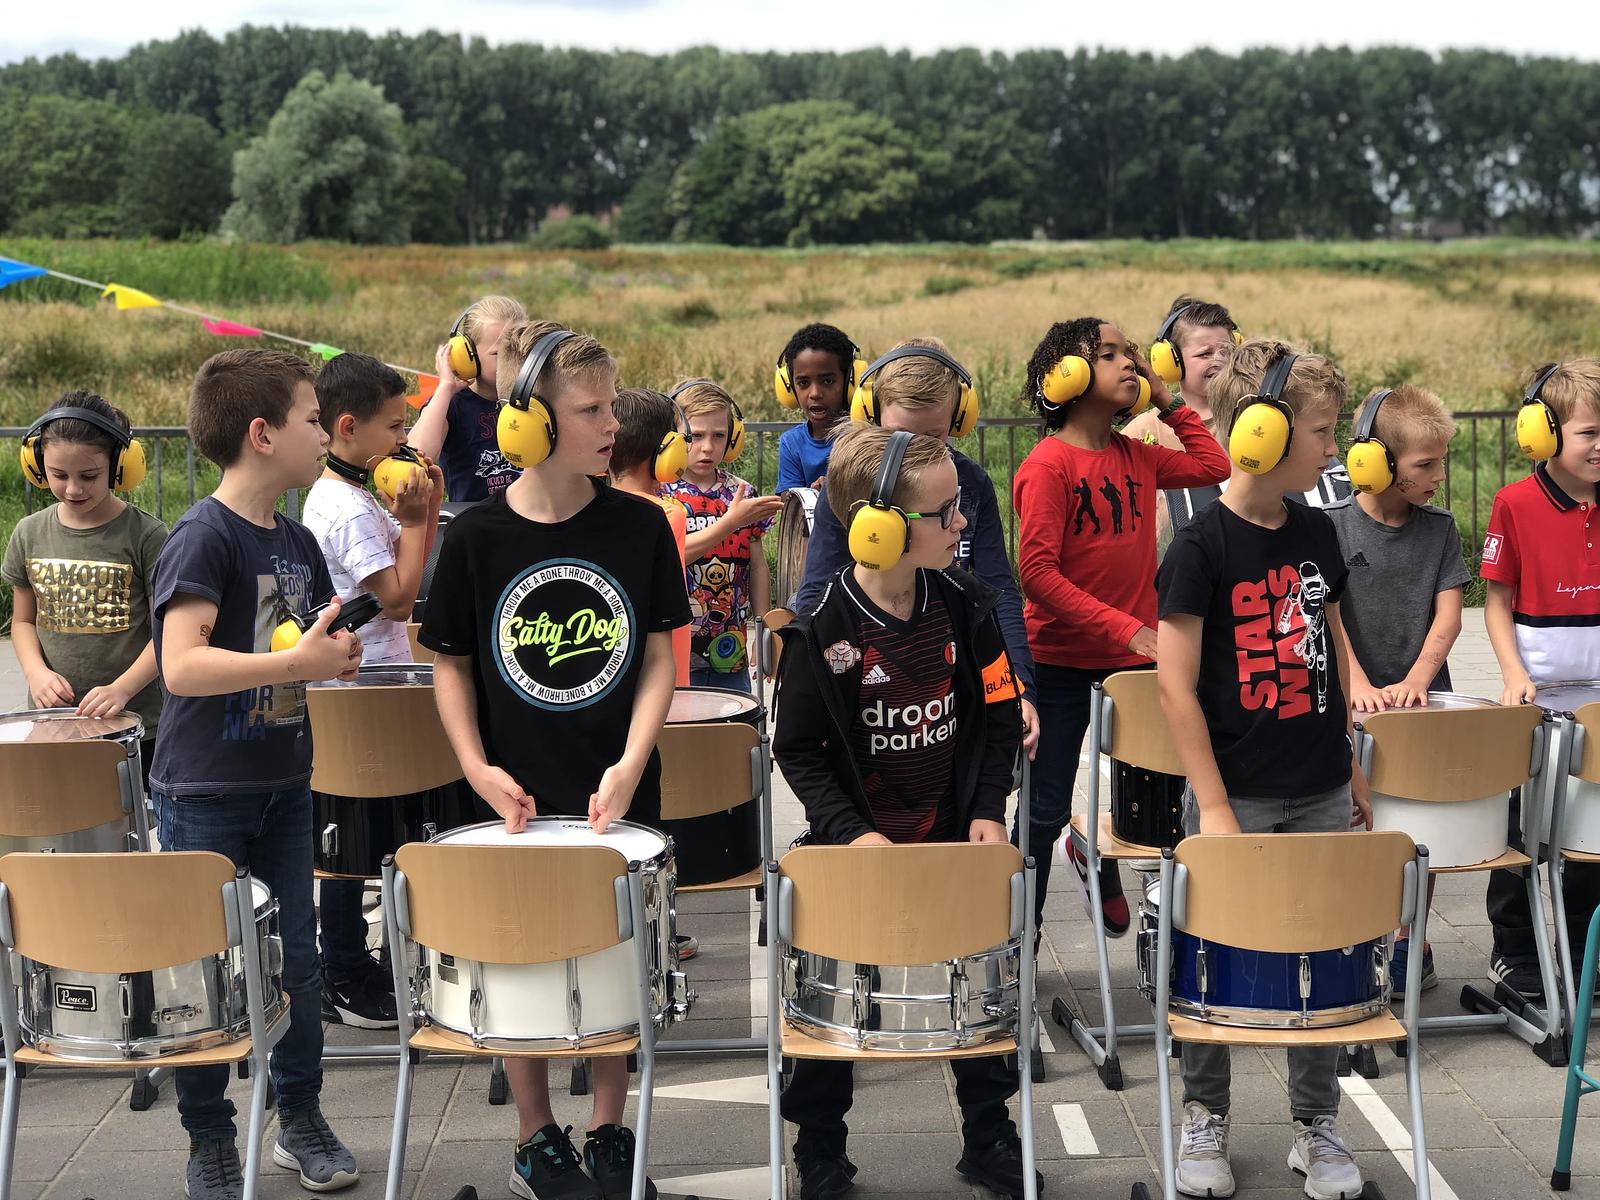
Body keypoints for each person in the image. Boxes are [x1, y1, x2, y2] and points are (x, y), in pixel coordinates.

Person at [419, 319, 688, 1200]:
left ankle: (610, 1130)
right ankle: (535, 1137)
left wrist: (632, 760)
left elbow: (657, 656)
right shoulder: (476, 536)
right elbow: (451, 664)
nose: (613, 424)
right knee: (522, 961)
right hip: (512, 790)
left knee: (615, 955)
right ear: (530, 423)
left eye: (611, 406)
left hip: (618, 782)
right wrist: (475, 767)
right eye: (591, 410)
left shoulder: (640, 526)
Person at [772, 421, 1033, 1200]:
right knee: (832, 997)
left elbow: (998, 713)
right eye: (945, 512)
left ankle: (989, 1134)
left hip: (953, 838)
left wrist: (988, 807)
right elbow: (800, 750)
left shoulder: (966, 605)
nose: (963, 522)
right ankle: (820, 1148)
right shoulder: (827, 632)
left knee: (979, 988)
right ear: (879, 527)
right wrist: (852, 833)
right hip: (856, 852)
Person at [1156, 338, 1370, 1200]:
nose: (1335, 449)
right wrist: (1211, 806)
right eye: (1323, 432)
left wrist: (1351, 763)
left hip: (1320, 785)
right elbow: (1174, 688)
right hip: (1234, 794)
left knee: (1317, 953)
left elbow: (1333, 646)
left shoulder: (1317, 529)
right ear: (1263, 432)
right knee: (1214, 955)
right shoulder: (1200, 545)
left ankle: (1316, 1124)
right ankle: (1205, 1114)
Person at [149, 349, 364, 1200]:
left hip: (284, 784)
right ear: (262, 434)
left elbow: (303, 645)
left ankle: (299, 1116)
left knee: (297, 964)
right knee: (204, 972)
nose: (324, 434)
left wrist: (334, 655)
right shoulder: (204, 536)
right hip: (203, 792)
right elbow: (182, 666)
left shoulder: (299, 540)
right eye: (313, 419)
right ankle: (208, 1136)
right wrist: (296, 665)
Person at [1012, 318, 1230, 934]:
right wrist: (1127, 629)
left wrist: (1167, 399)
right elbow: (1037, 576)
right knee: (1043, 810)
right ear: (1066, 376)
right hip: (1059, 664)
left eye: (1130, 352)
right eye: (1108, 354)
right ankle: (1020, 942)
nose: (1130, 362)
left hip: (1134, 666)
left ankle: (1099, 859)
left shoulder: (1137, 454)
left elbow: (1213, 465)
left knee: (1150, 813)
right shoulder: (1047, 466)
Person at [793, 336, 1039, 758]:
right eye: (900, 435)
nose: (915, 451)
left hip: (950, 692)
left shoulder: (972, 483)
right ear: (872, 415)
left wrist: (1020, 686)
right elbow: (817, 593)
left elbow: (998, 593)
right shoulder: (847, 483)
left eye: (933, 436)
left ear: (958, 419)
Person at [301, 352, 443, 1027]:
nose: (404, 437)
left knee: (368, 830)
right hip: (361, 688)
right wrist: (413, 522)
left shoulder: (351, 494)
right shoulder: (348, 509)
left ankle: (356, 958)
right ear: (348, 428)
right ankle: (343, 969)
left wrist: (425, 505)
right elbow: (397, 598)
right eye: (394, 426)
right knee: (350, 840)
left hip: (372, 678)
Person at [1324, 384, 1469, 996]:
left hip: (1419, 703)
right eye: (1425, 465)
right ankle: (1356, 933)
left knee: (1418, 825)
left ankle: (1411, 937)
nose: (1440, 476)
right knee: (1359, 822)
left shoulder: (1440, 530)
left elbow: (1449, 617)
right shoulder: (1330, 528)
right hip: (1352, 703)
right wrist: (1355, 682)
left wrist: (1415, 681)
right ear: (1375, 461)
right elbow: (1326, 616)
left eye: (1441, 462)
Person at [1480, 359, 1600, 1002]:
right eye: (1589, 433)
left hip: (1598, 708)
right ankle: (1516, 953)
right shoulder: (1515, 504)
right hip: (1541, 701)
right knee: (1521, 833)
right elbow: (1496, 602)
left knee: (1589, 838)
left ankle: (1584, 954)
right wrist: (1513, 672)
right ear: (1544, 433)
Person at [3, 390, 167, 788]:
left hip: (136, 725)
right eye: (59, 475)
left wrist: (122, 689)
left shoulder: (147, 536)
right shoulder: (29, 533)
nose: (73, 489)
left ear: (119, 466)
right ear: (37, 466)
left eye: (89, 476)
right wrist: (37, 674)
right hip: (52, 723)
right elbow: (22, 622)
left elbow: (165, 632)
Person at [661, 378, 780, 692]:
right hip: (673, 652)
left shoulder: (741, 492)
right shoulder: (660, 493)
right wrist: (729, 523)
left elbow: (757, 566)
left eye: (719, 435)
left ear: (733, 438)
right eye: (694, 436)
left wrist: (763, 626)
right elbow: (669, 558)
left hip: (730, 649)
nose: (707, 447)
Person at [408, 294, 528, 500]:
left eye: (521, 351)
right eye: (499, 353)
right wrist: (445, 388)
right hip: (474, 516)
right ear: (466, 357)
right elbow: (413, 461)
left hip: (529, 514)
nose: (514, 360)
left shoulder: (534, 397)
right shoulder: (453, 404)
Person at [775, 322, 856, 492]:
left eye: (827, 381)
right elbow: (788, 501)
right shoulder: (791, 443)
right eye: (803, 383)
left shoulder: (865, 437)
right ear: (790, 388)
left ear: (850, 382)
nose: (815, 393)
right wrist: (809, 496)